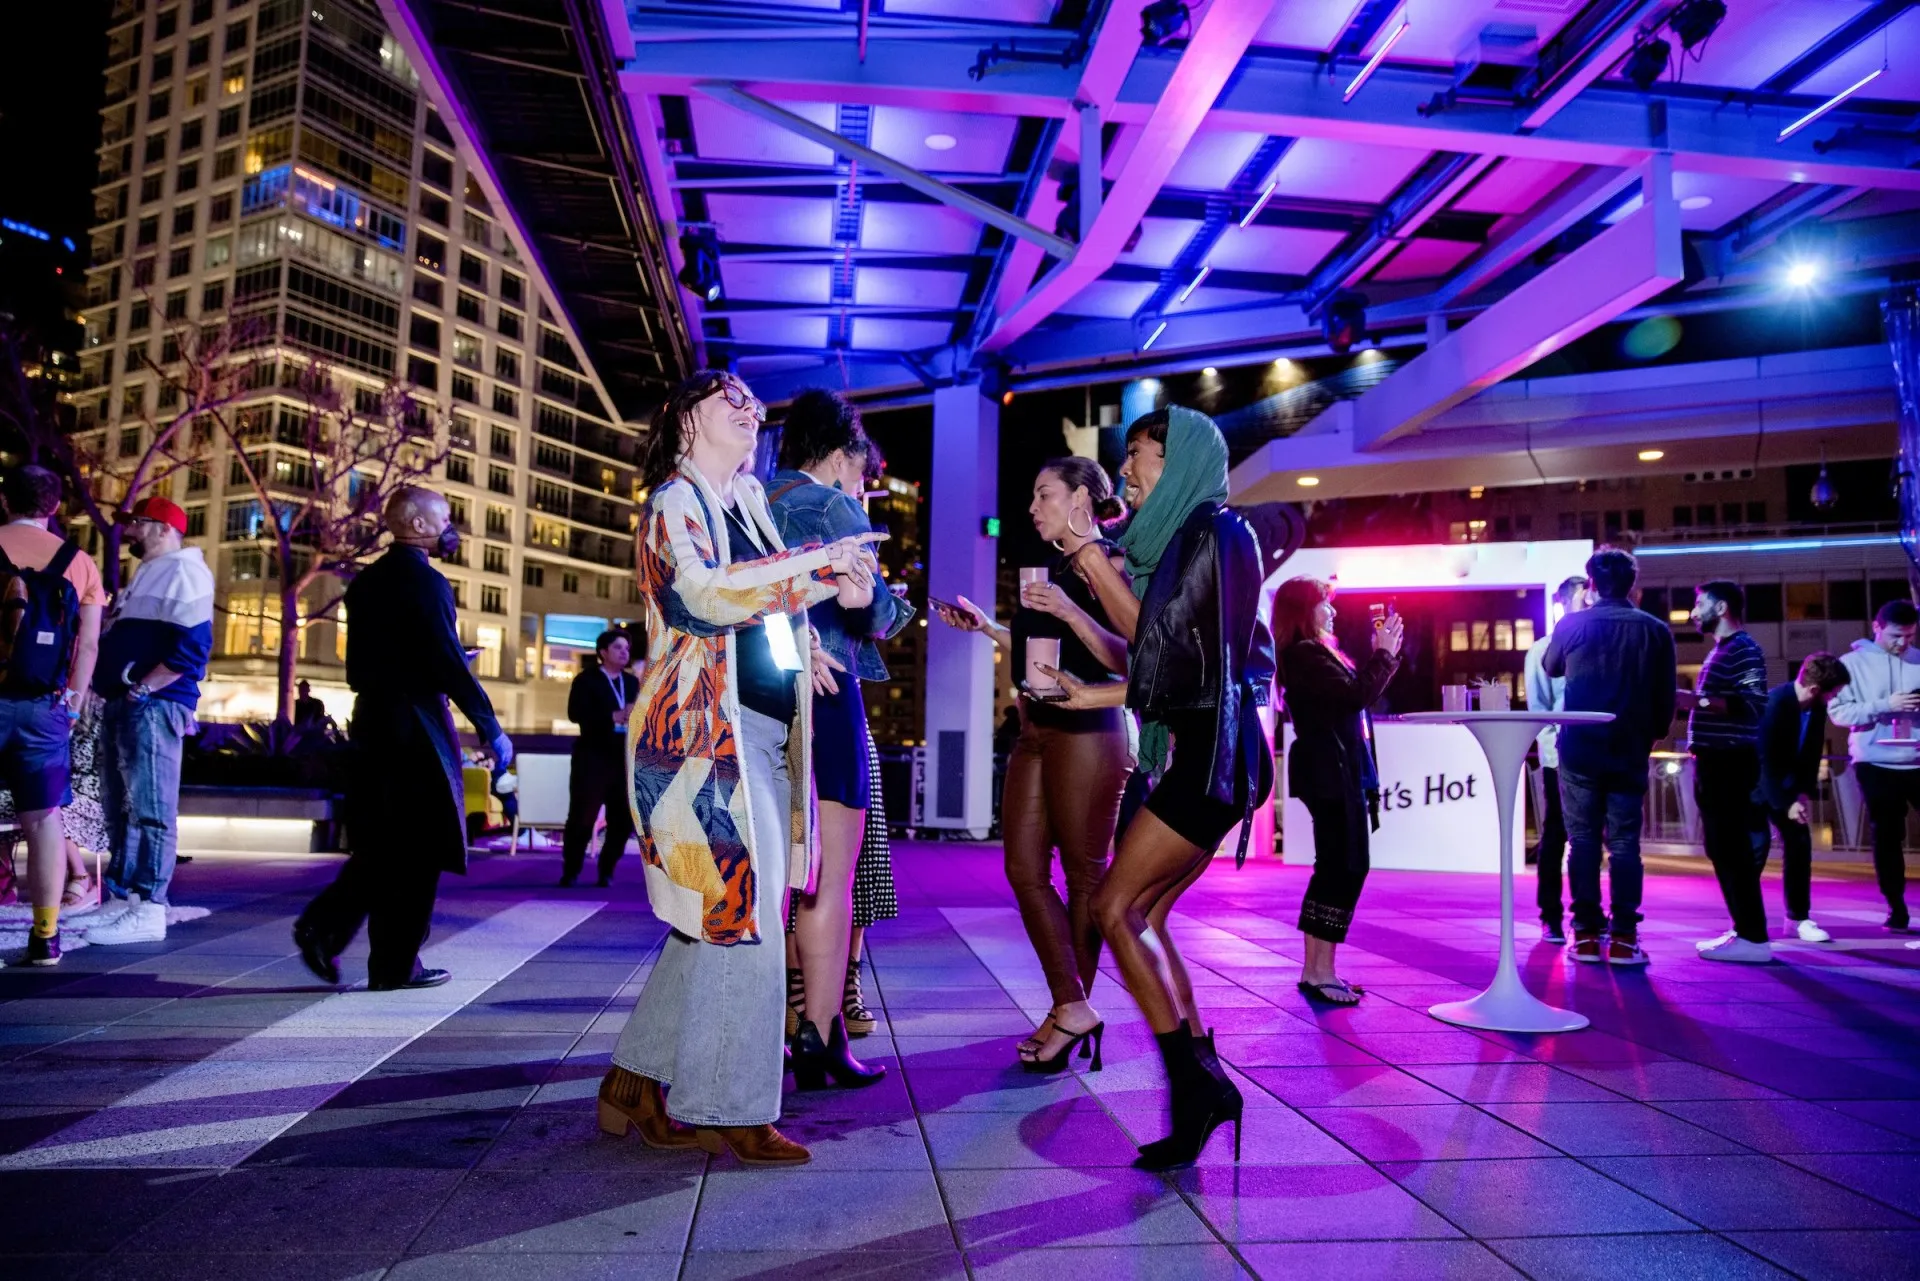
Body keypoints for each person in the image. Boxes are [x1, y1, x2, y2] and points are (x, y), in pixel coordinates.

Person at [596, 371, 881, 1167]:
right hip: (696, 747)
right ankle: (729, 1103)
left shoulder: (749, 504)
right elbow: (700, 597)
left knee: (713, 918)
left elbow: (764, 613)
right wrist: (820, 568)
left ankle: (632, 1080)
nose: (752, 409)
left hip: (757, 734)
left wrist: (809, 647)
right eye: (731, 399)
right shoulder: (672, 504)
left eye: (757, 403)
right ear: (685, 419)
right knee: (746, 920)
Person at [1042, 406, 1274, 1171]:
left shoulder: (1215, 531)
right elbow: (1148, 658)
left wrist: (1091, 560)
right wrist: (1092, 676)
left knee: (1112, 906)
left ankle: (1195, 1085)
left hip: (1211, 758)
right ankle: (1203, 1078)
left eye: (1138, 455)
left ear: (1176, 462)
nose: (1130, 473)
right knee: (1149, 914)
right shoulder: (1192, 536)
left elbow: (1164, 658)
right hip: (1209, 756)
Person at [932, 457, 1132, 1071]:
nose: (1032, 506)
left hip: (1089, 731)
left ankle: (1071, 1009)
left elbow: (1130, 658)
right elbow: (1042, 656)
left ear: (1080, 500)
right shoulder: (1054, 571)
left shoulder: (1113, 565)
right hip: (1035, 729)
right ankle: (1071, 1004)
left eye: (1043, 494)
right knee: (1022, 868)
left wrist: (1072, 610)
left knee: (1086, 877)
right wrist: (990, 628)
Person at [293, 486, 513, 990]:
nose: (451, 526)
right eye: (445, 517)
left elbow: (379, 657)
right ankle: (384, 960)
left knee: (386, 843)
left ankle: (334, 932)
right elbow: (447, 662)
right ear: (417, 525)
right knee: (421, 847)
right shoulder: (427, 582)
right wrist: (492, 729)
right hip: (416, 727)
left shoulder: (365, 582)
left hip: (371, 720)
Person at [765, 388, 907, 1089]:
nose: (863, 481)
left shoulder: (757, 499)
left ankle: (786, 1027)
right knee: (831, 876)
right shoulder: (833, 504)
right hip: (829, 690)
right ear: (842, 451)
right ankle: (821, 1038)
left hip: (767, 696)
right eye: (862, 467)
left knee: (785, 874)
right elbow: (875, 612)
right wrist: (890, 599)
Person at [85, 493, 213, 946]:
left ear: (164, 529)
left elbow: (195, 645)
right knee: (124, 806)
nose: (130, 531)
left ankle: (149, 904)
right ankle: (125, 900)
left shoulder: (185, 571)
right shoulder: (151, 573)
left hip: (152, 704)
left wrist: (145, 688)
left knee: (151, 808)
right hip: (131, 700)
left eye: (137, 523)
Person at [1542, 545, 1676, 966]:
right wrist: (1650, 735)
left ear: (1593, 584)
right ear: (1633, 586)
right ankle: (1623, 938)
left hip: (1580, 748)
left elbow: (1551, 667)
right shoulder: (1655, 630)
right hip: (1629, 749)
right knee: (1624, 844)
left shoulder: (1573, 624)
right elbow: (1666, 698)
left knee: (1581, 841)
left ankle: (1584, 934)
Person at [1273, 577, 1401, 1004]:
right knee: (1343, 867)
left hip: (1335, 769)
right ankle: (1320, 970)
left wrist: (1384, 656)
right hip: (1330, 770)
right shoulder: (1305, 653)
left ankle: (1318, 969)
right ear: (1303, 611)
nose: (1331, 612)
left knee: (1337, 866)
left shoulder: (1312, 653)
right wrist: (1383, 654)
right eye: (1324, 605)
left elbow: (1355, 695)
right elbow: (1355, 695)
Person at [0, 466, 104, 965]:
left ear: (4, 501)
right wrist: (73, 702)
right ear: (55, 507)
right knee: (43, 821)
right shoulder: (79, 563)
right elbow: (88, 644)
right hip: (46, 709)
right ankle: (45, 936)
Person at [1684, 581, 1774, 963]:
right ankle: (1744, 931)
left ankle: (1753, 937)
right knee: (1722, 847)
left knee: (1731, 849)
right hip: (1716, 761)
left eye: (1699, 603)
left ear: (1721, 608)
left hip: (1729, 761)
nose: (1693, 611)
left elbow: (1754, 705)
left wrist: (1694, 699)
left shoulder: (1743, 649)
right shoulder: (1724, 651)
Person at [1827, 600, 1920, 933]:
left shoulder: (1918, 660)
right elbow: (1838, 713)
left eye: (1910, 636)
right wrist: (1885, 705)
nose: (1903, 643)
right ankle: (1896, 906)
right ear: (1877, 628)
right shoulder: (1850, 664)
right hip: (1876, 761)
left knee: (1890, 836)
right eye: (1897, 635)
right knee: (1888, 837)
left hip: (1917, 759)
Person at [1757, 653, 1851, 944]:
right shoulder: (1774, 704)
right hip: (1757, 788)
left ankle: (1797, 918)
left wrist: (1801, 794)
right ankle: (1744, 924)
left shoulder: (1816, 707)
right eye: (1832, 693)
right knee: (1753, 852)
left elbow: (1811, 755)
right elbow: (1764, 761)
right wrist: (1786, 803)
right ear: (1814, 690)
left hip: (1788, 788)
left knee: (1799, 846)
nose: (1833, 699)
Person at [1524, 576, 1587, 943]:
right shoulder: (1542, 650)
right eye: (1583, 598)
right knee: (1556, 834)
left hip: (1594, 754)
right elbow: (1539, 712)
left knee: (1588, 837)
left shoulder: (1598, 648)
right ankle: (1551, 915)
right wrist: (1553, 756)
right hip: (1560, 758)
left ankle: (1585, 914)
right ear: (1564, 603)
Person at [559, 628, 640, 888]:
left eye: (626, 648)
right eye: (618, 647)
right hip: (592, 757)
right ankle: (571, 870)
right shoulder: (586, 680)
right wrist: (610, 716)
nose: (624, 652)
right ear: (603, 652)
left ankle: (607, 870)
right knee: (582, 817)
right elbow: (575, 713)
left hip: (621, 758)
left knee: (622, 820)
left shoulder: (631, 683)